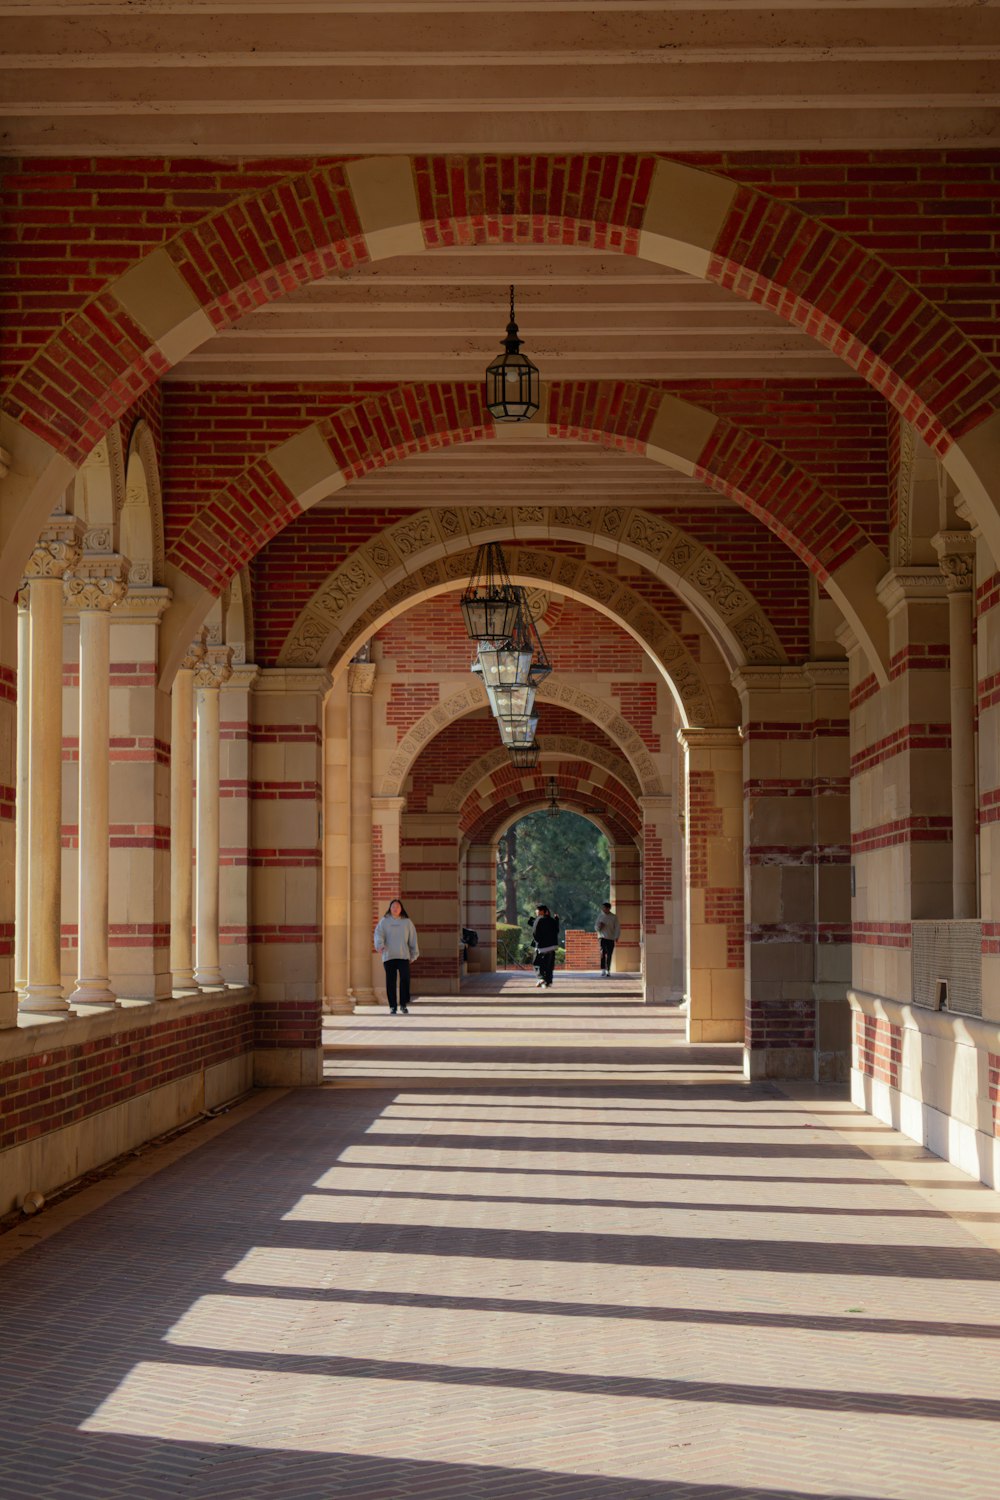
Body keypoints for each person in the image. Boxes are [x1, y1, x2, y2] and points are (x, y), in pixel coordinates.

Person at [373, 898, 419, 1014]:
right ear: (390, 908)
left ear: (401, 908)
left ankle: (403, 1005)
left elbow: (413, 939)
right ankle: (392, 1006)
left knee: (405, 979)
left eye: (397, 907)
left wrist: (414, 954)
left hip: (403, 956)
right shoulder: (384, 921)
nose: (395, 909)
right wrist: (380, 945)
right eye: (393, 907)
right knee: (391, 981)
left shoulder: (407, 922)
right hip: (389, 956)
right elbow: (378, 934)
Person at [531, 903, 560, 989]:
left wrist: (538, 942)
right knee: (549, 965)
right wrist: (557, 920)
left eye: (537, 910)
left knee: (537, 963)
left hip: (541, 947)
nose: (536, 911)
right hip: (552, 947)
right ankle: (548, 981)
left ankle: (541, 978)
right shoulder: (552, 920)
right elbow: (557, 931)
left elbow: (535, 933)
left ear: (542, 911)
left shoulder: (538, 919)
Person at [596, 901, 621, 975]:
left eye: (605, 908)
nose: (603, 909)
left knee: (609, 954)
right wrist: (599, 927)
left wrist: (616, 936)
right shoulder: (600, 916)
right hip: (602, 938)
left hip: (610, 938)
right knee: (602, 953)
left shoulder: (614, 917)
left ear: (609, 908)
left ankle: (608, 970)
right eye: (603, 908)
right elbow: (596, 927)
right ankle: (603, 969)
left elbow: (617, 928)